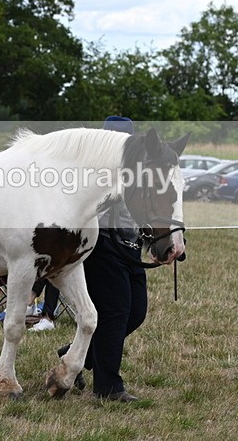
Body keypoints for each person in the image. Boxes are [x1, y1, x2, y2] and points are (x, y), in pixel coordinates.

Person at [58, 115, 146, 402]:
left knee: (136, 312)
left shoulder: (141, 171)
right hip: (102, 247)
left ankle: (76, 353)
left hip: (131, 246)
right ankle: (108, 387)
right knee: (115, 312)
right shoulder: (90, 171)